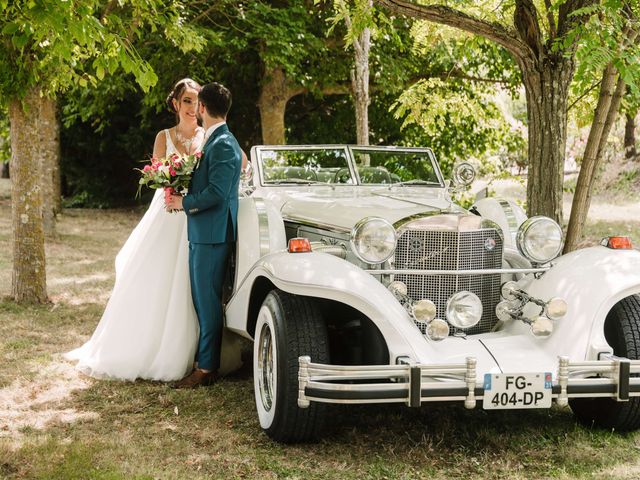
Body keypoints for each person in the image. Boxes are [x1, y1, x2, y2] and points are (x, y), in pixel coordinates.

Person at [64, 78, 205, 381]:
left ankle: (192, 350)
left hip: (192, 212)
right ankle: (144, 345)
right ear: (175, 104)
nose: (192, 107)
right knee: (154, 275)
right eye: (187, 101)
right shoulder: (163, 136)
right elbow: (156, 171)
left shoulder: (207, 136)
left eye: (196, 101)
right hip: (166, 212)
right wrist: (169, 179)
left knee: (189, 280)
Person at [166, 82, 242, 388]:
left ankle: (206, 368)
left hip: (212, 233)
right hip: (205, 231)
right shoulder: (215, 139)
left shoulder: (223, 143)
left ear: (202, 108)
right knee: (203, 299)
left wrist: (184, 202)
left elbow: (217, 193)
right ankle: (207, 362)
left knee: (207, 301)